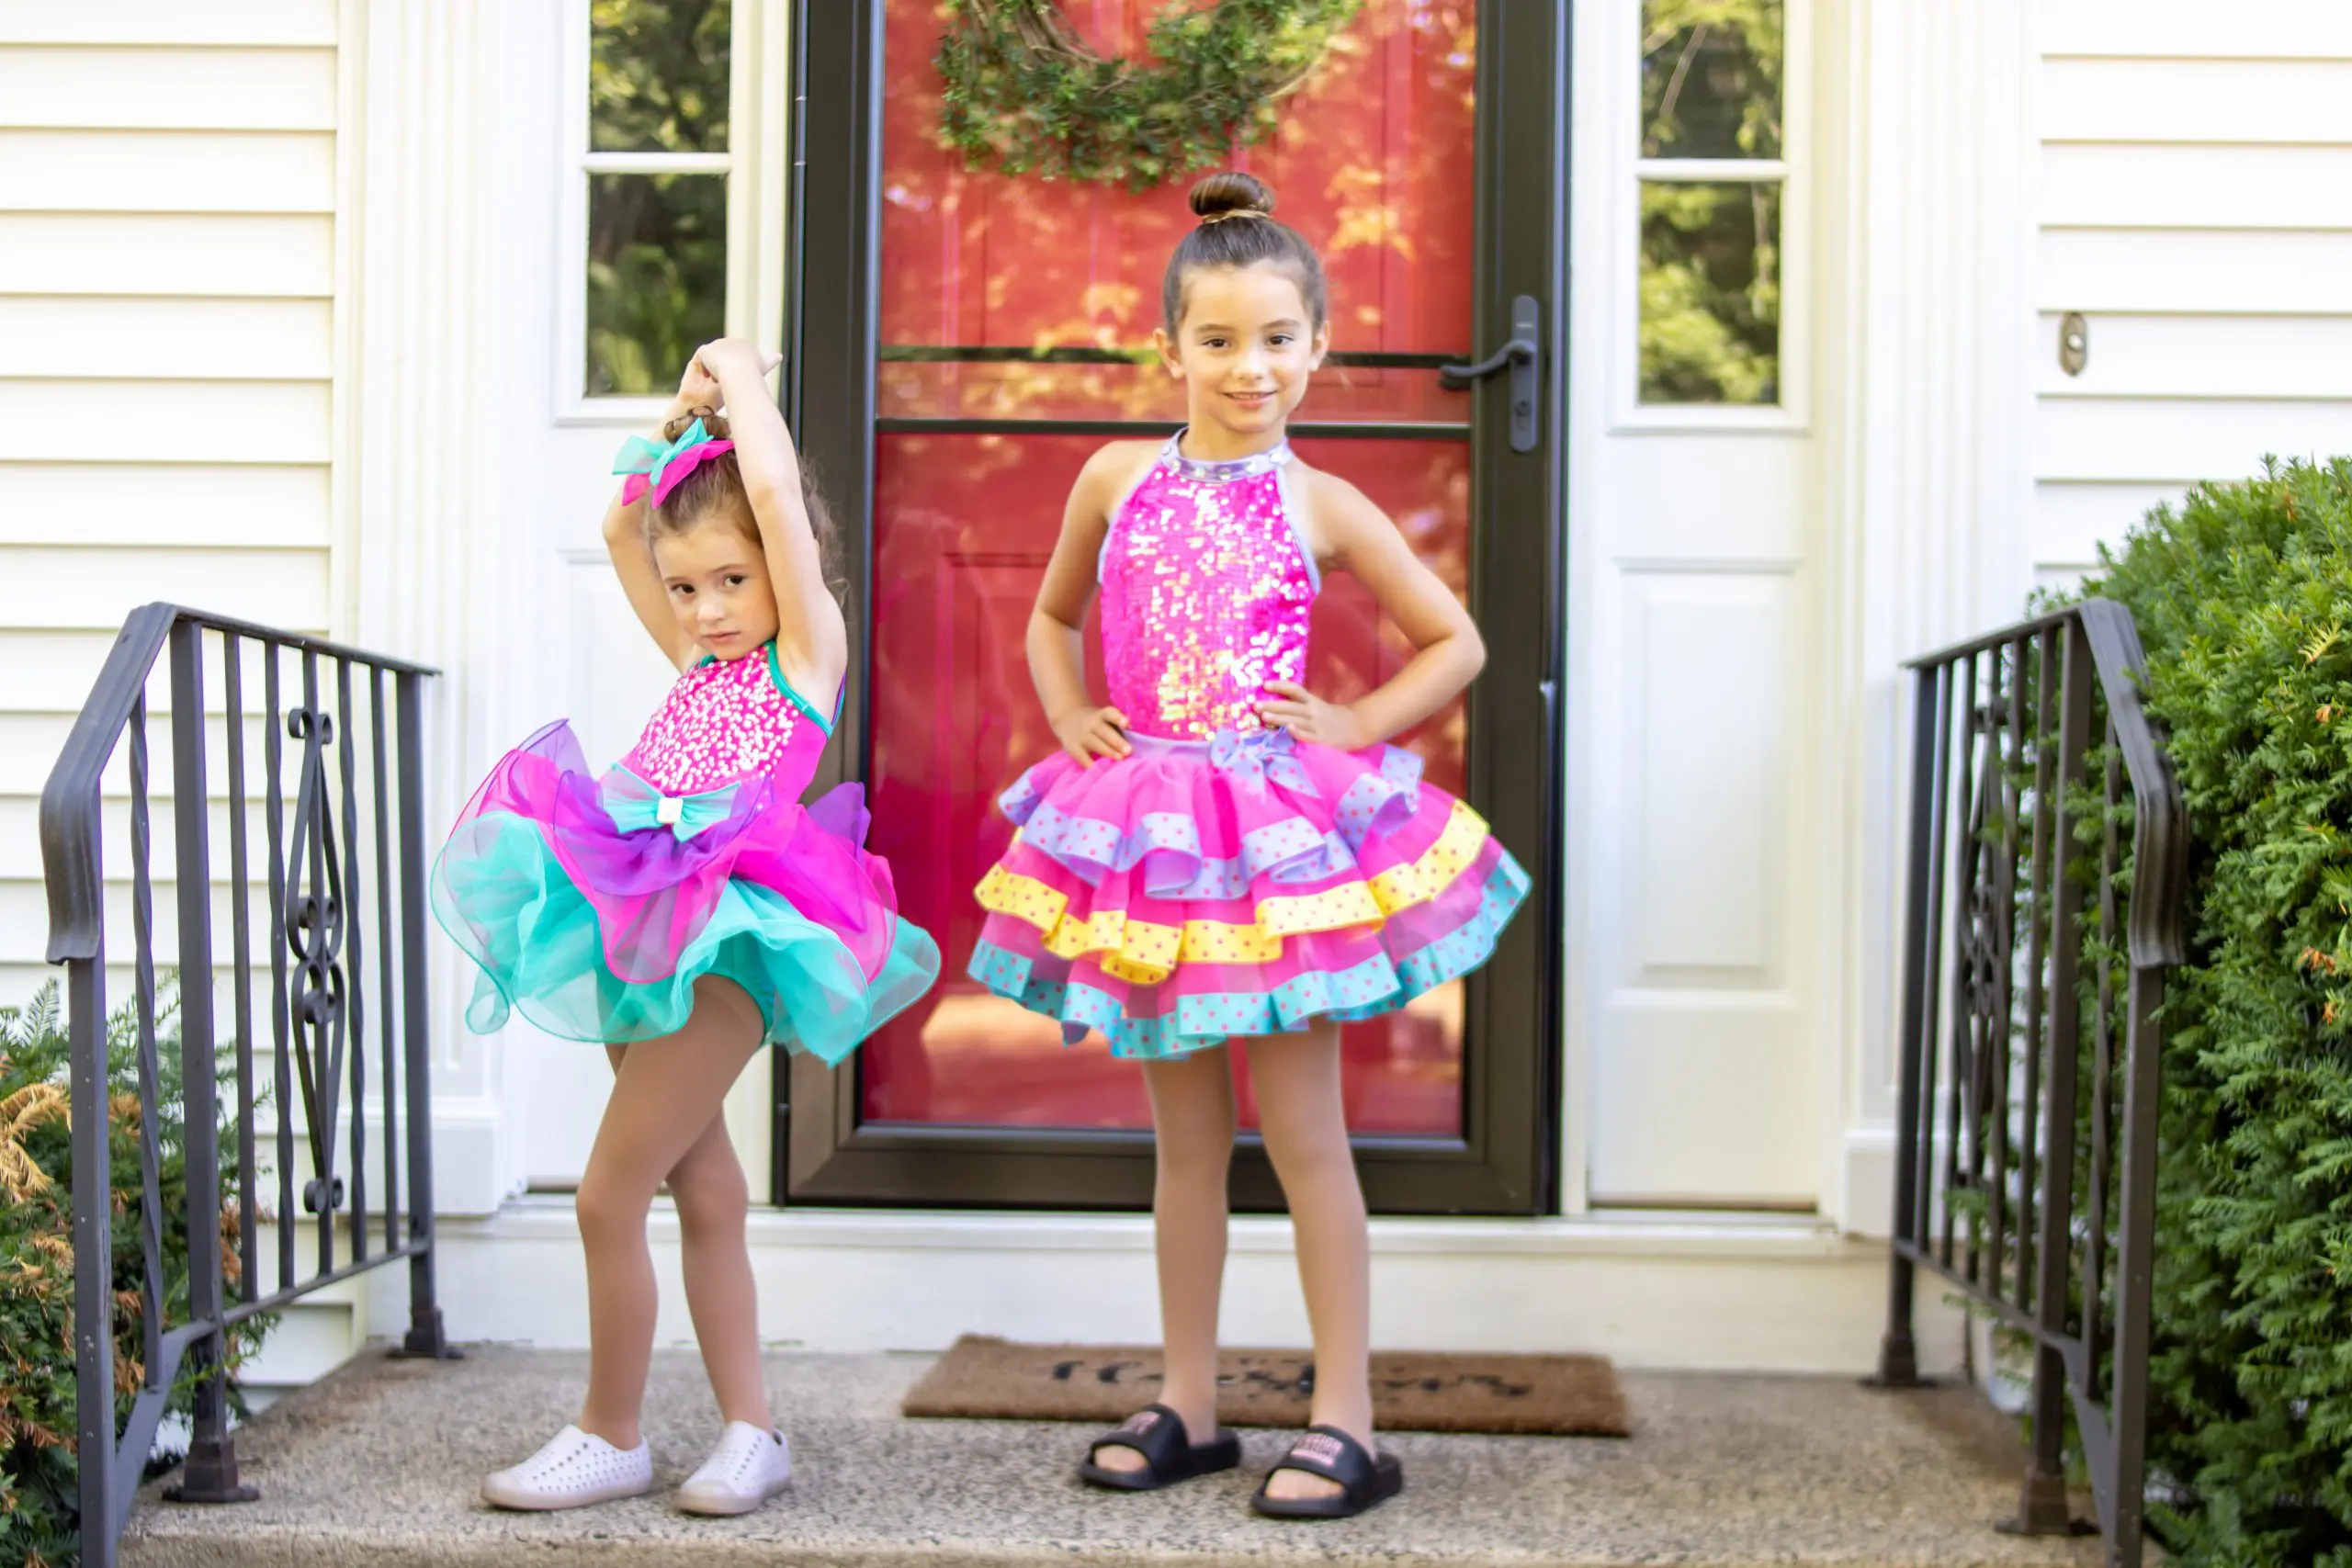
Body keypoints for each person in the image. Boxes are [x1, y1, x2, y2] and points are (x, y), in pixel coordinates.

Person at [967, 172, 1529, 1519]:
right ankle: (1192, 1401)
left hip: (1273, 844)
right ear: (1168, 349)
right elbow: (1052, 617)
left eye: (1278, 337)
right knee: (1182, 1144)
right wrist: (1066, 711)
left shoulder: (1323, 501)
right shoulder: (1114, 477)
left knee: (1306, 1133)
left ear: (1318, 346)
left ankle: (1347, 1416)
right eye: (1217, 339)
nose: (1249, 365)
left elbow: (1458, 639)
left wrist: (1354, 720)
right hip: (1150, 836)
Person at [432, 338, 939, 1516]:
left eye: (731, 581)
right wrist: (677, 422)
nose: (707, 610)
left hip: (731, 932)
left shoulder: (803, 659)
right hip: (629, 908)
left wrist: (749, 391)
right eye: (687, 587)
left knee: (609, 1191)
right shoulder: (693, 658)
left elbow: (769, 499)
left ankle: (610, 1432)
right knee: (701, 1187)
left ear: (782, 571)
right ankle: (750, 1432)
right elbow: (626, 530)